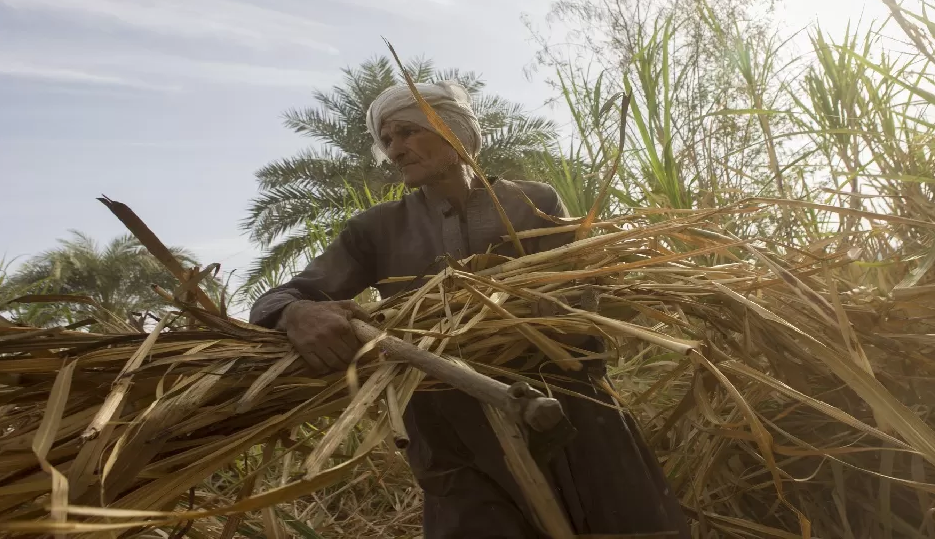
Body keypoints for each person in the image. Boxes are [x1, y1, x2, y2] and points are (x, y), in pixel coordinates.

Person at [250, 81, 691, 538]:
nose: (394, 150)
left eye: (406, 133)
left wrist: (559, 314)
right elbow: (286, 296)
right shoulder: (375, 230)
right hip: (450, 435)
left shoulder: (532, 203)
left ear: (452, 129)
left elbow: (584, 300)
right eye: (386, 140)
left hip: (571, 412)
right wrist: (294, 314)